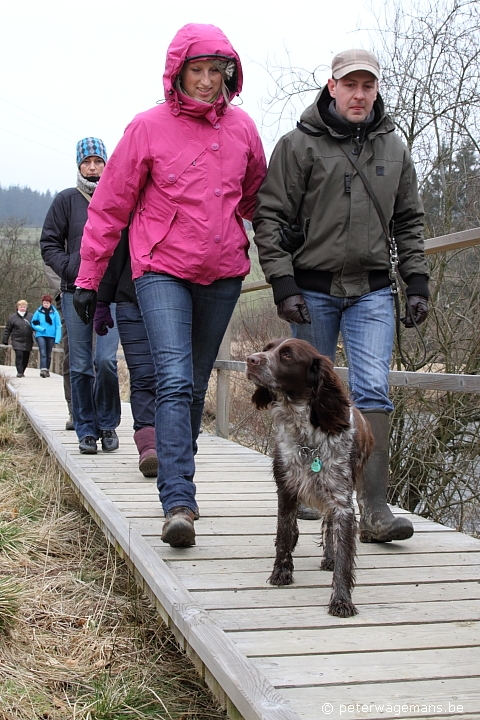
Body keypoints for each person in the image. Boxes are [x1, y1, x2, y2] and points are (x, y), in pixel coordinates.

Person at [73, 23, 266, 547]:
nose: (206, 82)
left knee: (195, 383)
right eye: (196, 71)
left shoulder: (244, 129)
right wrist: (90, 277)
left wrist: (295, 247)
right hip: (161, 270)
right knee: (175, 378)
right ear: (177, 72)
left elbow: (257, 202)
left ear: (228, 73)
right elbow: (110, 206)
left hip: (224, 272)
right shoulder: (147, 128)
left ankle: (179, 466)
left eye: (215, 71)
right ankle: (179, 500)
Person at [253, 49, 429, 543]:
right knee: (306, 393)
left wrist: (416, 282)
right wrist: (283, 284)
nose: (358, 94)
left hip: (372, 288)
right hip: (312, 288)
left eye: (367, 86)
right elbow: (269, 217)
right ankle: (310, 488)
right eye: (349, 84)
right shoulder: (297, 145)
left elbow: (409, 221)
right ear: (331, 86)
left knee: (372, 389)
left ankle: (372, 506)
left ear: (376, 90)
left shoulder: (393, 148)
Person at [40, 137, 121, 455]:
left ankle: (108, 424)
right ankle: (86, 430)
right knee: (81, 365)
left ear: (106, 163)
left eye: (97, 161)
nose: (92, 167)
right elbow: (48, 243)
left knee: (105, 362)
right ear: (78, 165)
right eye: (86, 162)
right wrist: (70, 267)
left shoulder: (117, 198)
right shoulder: (65, 201)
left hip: (110, 295)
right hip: (75, 293)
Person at [94, 229, 158, 477]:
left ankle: (176, 444)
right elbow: (116, 252)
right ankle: (148, 446)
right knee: (142, 375)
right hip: (131, 299)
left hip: (178, 299)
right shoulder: (133, 205)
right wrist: (103, 301)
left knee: (173, 376)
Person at [43, 264, 74, 429]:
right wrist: (59, 293)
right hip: (68, 294)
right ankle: (74, 409)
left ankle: (101, 412)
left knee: (102, 359)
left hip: (102, 294)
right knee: (73, 354)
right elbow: (50, 254)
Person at [31, 294, 62, 376]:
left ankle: (47, 369)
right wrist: (41, 328)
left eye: (47, 303)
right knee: (43, 352)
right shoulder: (38, 312)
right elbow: (33, 323)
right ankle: (43, 369)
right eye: (44, 303)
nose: (45, 304)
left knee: (48, 353)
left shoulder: (55, 313)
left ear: (50, 303)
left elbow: (58, 326)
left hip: (51, 335)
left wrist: (57, 338)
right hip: (41, 334)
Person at [2, 300, 34, 377]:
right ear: (17, 307)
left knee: (26, 356)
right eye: (21, 307)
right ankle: (19, 371)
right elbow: (8, 329)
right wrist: (5, 339)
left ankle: (22, 370)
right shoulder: (12, 317)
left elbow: (36, 326)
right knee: (19, 355)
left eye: (24, 307)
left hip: (28, 340)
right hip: (17, 340)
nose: (22, 308)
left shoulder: (31, 317)